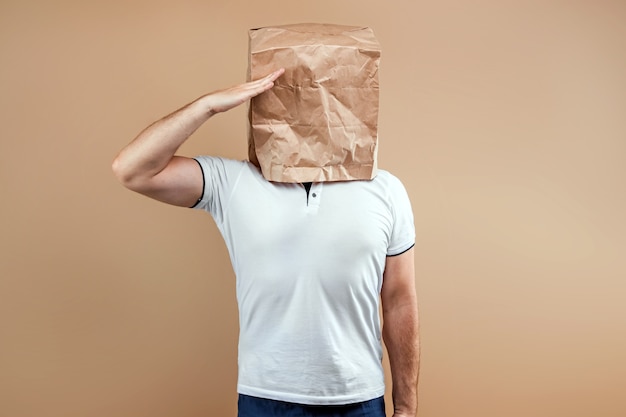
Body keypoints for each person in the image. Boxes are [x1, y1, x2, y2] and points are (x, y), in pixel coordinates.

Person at [112, 68, 420, 417]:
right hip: (266, 398)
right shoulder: (232, 182)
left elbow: (399, 300)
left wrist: (406, 407)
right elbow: (132, 170)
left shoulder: (385, 189)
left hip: (359, 399)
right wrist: (207, 106)